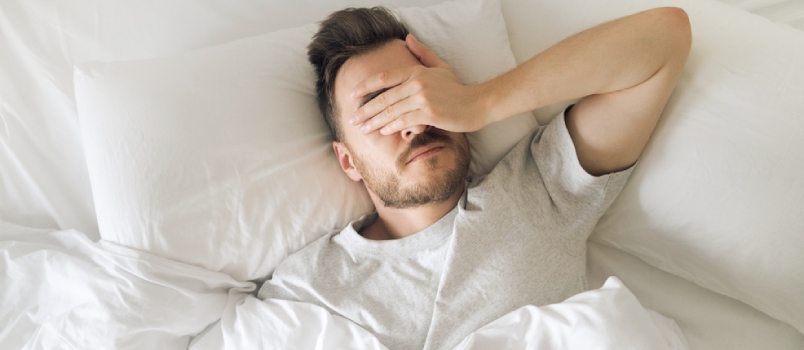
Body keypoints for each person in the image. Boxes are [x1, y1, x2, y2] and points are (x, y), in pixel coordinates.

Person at [258, 5, 691, 350]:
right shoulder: (308, 285)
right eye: (378, 111)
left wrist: (480, 102)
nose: (411, 122)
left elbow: (665, 38)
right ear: (347, 160)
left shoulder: (538, 191)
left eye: (416, 93)